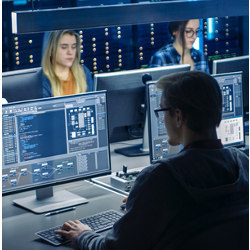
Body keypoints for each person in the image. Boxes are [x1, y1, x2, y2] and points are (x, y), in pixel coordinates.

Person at [55, 71, 249, 249]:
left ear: (179, 117)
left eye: (162, 111)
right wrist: (144, 204)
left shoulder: (160, 178)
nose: (162, 119)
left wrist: (83, 236)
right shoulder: (242, 163)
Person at [42, 30, 94, 97]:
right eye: (64, 47)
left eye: (73, 47)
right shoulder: (43, 80)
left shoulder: (84, 72)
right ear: (52, 49)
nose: (70, 52)